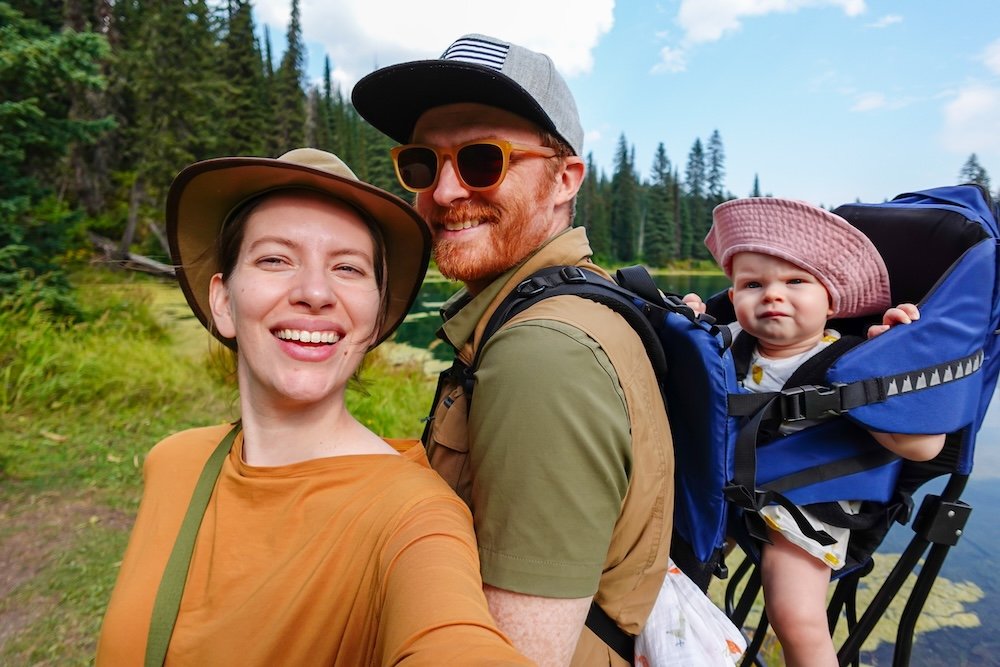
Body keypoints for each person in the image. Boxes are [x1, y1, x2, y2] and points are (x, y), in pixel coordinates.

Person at [96, 148, 532, 666]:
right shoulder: (173, 463)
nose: (315, 292)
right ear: (222, 301)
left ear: (373, 319)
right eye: (275, 259)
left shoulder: (417, 517)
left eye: (347, 268)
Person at [352, 34, 674, 667]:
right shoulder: (549, 307)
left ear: (564, 180)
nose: (443, 192)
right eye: (422, 163)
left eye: (481, 160)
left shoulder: (543, 354)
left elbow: (517, 654)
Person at [683, 197, 945, 667]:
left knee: (795, 616)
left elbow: (925, 448)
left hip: (806, 504)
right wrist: (689, 322)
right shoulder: (724, 342)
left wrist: (892, 365)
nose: (772, 295)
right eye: (752, 284)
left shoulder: (854, 359)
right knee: (671, 566)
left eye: (796, 281)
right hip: (725, 490)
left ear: (832, 300)